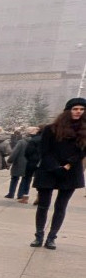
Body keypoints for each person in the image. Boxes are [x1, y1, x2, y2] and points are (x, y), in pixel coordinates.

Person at [29, 99, 85, 249]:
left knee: (61, 206)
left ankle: (52, 237)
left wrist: (68, 164)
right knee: (43, 205)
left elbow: (82, 152)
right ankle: (39, 235)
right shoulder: (51, 128)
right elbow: (44, 150)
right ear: (68, 111)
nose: (78, 111)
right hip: (49, 169)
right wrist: (55, 166)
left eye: (81, 109)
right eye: (75, 109)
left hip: (71, 171)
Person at [6, 126, 39, 202]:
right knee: (26, 180)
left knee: (14, 178)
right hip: (30, 163)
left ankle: (11, 193)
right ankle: (21, 195)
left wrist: (10, 161)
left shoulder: (21, 142)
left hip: (19, 163)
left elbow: (15, 153)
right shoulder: (37, 142)